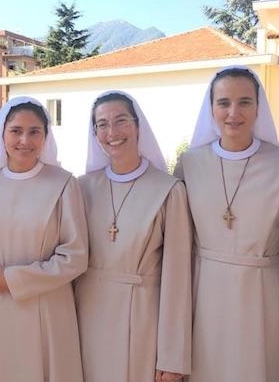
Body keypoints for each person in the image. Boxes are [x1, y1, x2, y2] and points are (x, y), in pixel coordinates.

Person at [174, 66, 279, 382]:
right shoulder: (189, 163)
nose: (233, 112)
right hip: (203, 291)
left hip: (264, 293)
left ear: (258, 107)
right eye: (224, 102)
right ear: (211, 108)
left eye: (244, 102)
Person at [0, 97, 88, 382]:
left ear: (46, 136)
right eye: (16, 131)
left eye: (34, 131)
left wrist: (12, 280)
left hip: (45, 312)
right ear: (2, 134)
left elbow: (75, 257)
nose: (25, 140)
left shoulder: (63, 184)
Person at [75, 90, 193, 382]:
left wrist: (172, 356)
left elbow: (178, 279)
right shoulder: (82, 187)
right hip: (86, 317)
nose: (111, 132)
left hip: (142, 320)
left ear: (138, 126)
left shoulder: (169, 190)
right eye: (102, 124)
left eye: (120, 120)